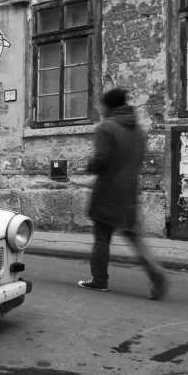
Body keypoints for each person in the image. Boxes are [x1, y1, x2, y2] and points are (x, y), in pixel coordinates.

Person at [78, 88, 170, 300]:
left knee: (102, 239)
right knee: (134, 237)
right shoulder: (138, 129)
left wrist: (90, 166)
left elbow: (102, 159)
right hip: (129, 190)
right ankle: (155, 271)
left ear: (108, 106)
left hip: (108, 190)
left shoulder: (106, 128)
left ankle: (99, 280)